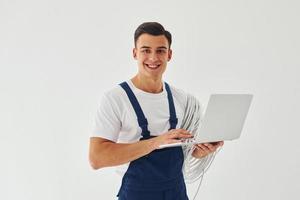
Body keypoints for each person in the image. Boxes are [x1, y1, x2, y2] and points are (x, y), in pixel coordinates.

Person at [89, 22, 224, 200]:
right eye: (146, 50)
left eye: (160, 50)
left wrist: (202, 150)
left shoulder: (182, 99)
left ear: (169, 54)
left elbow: (186, 152)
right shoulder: (115, 98)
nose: (153, 57)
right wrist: (156, 142)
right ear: (134, 53)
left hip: (176, 193)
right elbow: (97, 158)